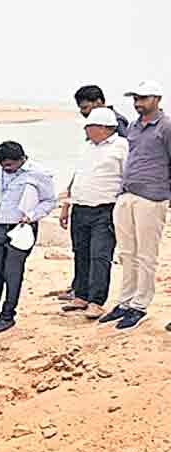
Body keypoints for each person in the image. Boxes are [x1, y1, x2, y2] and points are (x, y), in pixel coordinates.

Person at [98, 81, 171, 331]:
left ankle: (139, 306)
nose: (138, 103)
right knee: (126, 253)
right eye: (135, 99)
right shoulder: (134, 126)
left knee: (146, 255)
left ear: (157, 98)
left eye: (143, 98)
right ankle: (125, 301)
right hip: (127, 195)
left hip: (152, 198)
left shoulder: (167, 126)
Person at [0, 142, 57, 334]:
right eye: (2, 165)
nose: (5, 169)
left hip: (23, 228)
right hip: (0, 225)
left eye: (9, 166)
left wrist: (32, 216)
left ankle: (7, 315)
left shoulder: (39, 173)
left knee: (12, 273)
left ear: (21, 160)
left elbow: (50, 201)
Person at [59, 108, 127, 320]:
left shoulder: (121, 147)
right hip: (80, 207)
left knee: (100, 255)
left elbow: (127, 178)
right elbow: (76, 176)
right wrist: (66, 205)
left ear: (104, 128)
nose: (86, 130)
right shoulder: (86, 148)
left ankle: (97, 301)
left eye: (89, 127)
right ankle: (81, 296)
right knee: (80, 252)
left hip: (104, 209)